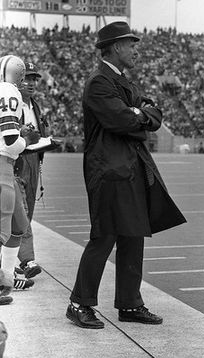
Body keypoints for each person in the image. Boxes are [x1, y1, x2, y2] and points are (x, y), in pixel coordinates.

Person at [66, 22, 187, 329]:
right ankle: (79, 303)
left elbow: (153, 114)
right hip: (108, 171)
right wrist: (138, 114)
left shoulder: (122, 83)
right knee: (104, 236)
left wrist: (140, 113)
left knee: (134, 236)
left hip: (129, 170)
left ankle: (130, 305)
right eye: (132, 44)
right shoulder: (99, 82)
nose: (136, 49)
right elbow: (121, 120)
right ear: (116, 47)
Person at [0, 55, 40, 304]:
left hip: (6, 164)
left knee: (19, 224)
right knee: (2, 230)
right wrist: (28, 140)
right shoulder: (11, 93)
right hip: (2, 163)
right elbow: (10, 141)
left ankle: (5, 276)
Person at [14, 62, 48, 279]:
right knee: (21, 213)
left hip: (34, 160)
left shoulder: (35, 106)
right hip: (16, 160)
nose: (31, 83)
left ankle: (12, 260)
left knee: (27, 214)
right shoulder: (11, 104)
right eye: (27, 78)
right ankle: (27, 260)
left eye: (35, 79)